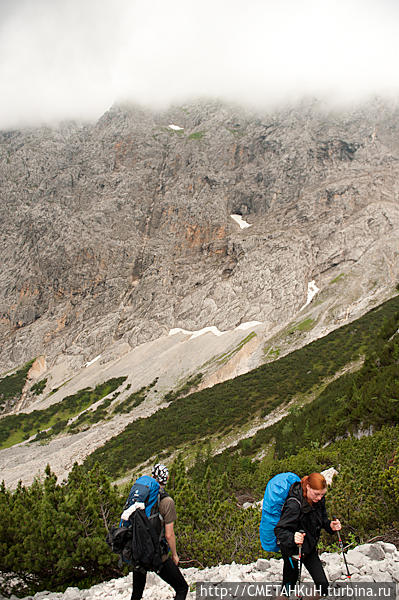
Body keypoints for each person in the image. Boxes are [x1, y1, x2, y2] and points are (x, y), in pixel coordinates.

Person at [274, 472, 341, 597]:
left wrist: (330, 526)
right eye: (317, 494)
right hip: (292, 552)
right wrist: (293, 537)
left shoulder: (318, 500)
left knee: (323, 588)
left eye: (322, 494)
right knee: (287, 589)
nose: (320, 498)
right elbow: (280, 530)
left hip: (309, 548)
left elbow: (322, 520)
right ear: (308, 487)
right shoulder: (294, 504)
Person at [131, 463, 188, 600]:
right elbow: (169, 535)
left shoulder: (142, 497)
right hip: (157, 554)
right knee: (182, 588)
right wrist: (174, 555)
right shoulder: (167, 502)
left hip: (138, 552)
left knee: (137, 593)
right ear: (166, 479)